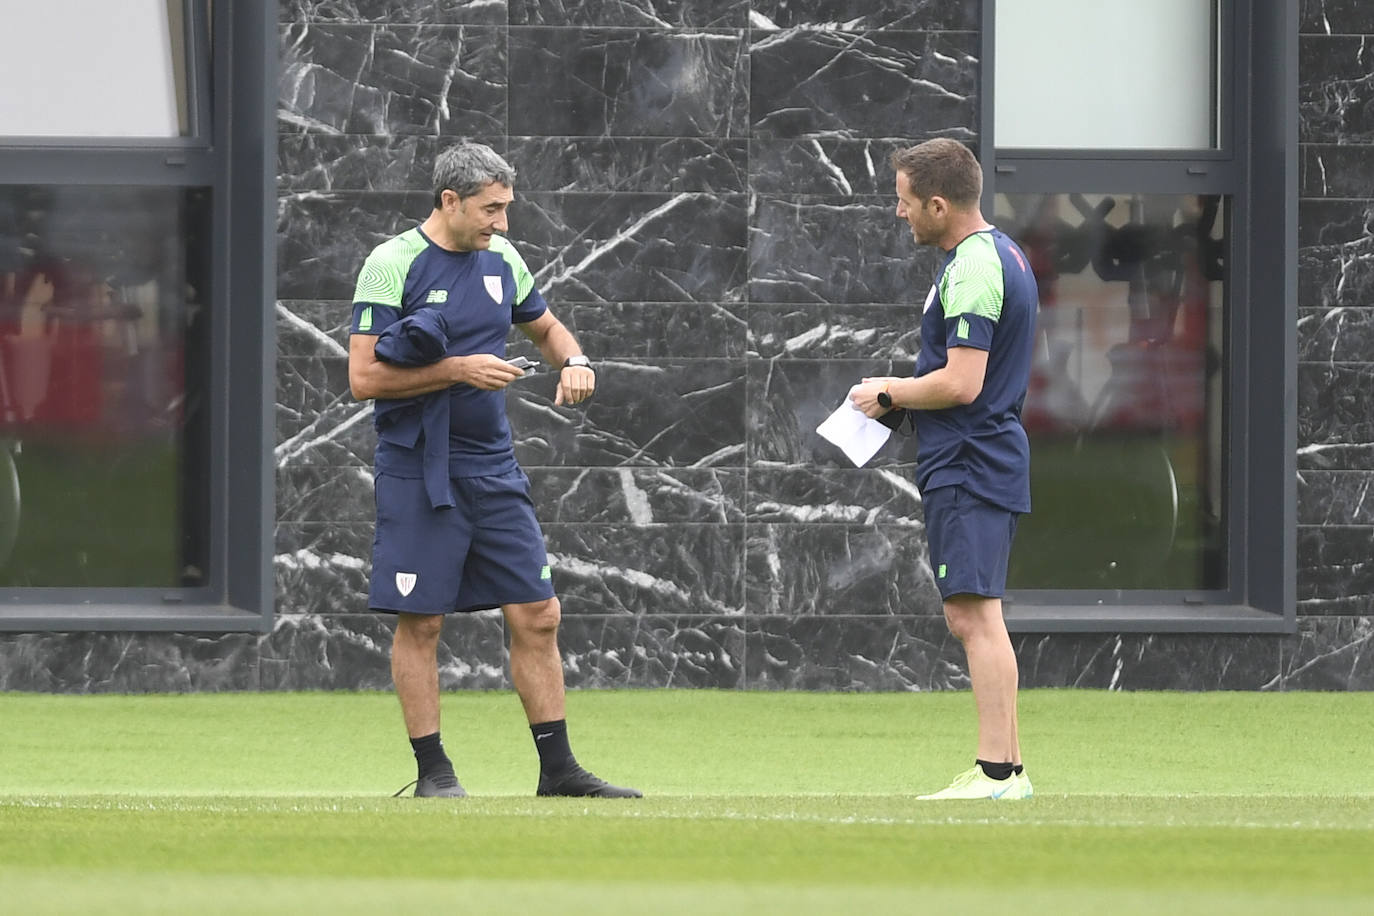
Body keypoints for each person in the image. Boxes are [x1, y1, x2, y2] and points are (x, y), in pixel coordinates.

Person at [347, 141, 640, 799]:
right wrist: (455, 368)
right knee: (421, 621)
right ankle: (434, 774)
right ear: (449, 201)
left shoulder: (502, 258)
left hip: (494, 468)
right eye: (491, 209)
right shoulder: (390, 264)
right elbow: (363, 378)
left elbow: (546, 327)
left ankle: (559, 771)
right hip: (419, 469)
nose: (502, 224)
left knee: (538, 613)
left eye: (506, 208)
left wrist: (576, 361)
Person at [850, 138, 1038, 800]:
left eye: (905, 203)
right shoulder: (1003, 253)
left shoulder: (975, 267)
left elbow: (961, 383)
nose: (899, 215)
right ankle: (1009, 772)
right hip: (981, 456)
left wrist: (890, 392)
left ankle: (994, 774)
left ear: (937, 203)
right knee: (981, 614)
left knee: (972, 617)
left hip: (970, 459)